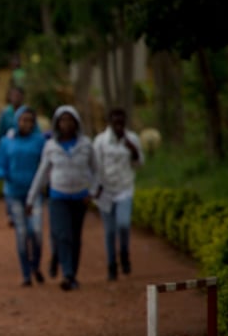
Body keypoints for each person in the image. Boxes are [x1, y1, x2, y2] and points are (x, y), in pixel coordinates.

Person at [28, 106, 97, 292]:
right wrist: (30, 199)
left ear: (76, 123)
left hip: (80, 197)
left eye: (70, 120)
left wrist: (92, 192)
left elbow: (96, 170)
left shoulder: (86, 145)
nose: (66, 124)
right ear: (57, 123)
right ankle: (66, 273)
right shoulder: (51, 146)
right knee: (62, 234)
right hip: (58, 197)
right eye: (62, 120)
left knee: (75, 236)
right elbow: (42, 174)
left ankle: (71, 272)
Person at [0, 106, 47, 286]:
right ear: (17, 121)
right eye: (23, 120)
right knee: (22, 233)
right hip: (14, 193)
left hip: (34, 193)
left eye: (30, 120)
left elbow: (45, 164)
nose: (27, 124)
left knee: (37, 231)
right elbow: (0, 164)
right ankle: (26, 273)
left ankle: (35, 265)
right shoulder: (6, 142)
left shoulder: (39, 141)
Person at [93, 107, 142, 280]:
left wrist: (133, 149)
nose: (118, 124)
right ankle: (111, 265)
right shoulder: (100, 141)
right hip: (105, 190)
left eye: (121, 121)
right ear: (110, 122)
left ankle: (124, 254)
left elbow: (139, 164)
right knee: (109, 231)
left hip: (125, 188)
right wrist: (96, 188)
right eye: (115, 121)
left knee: (123, 224)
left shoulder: (133, 138)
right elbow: (96, 166)